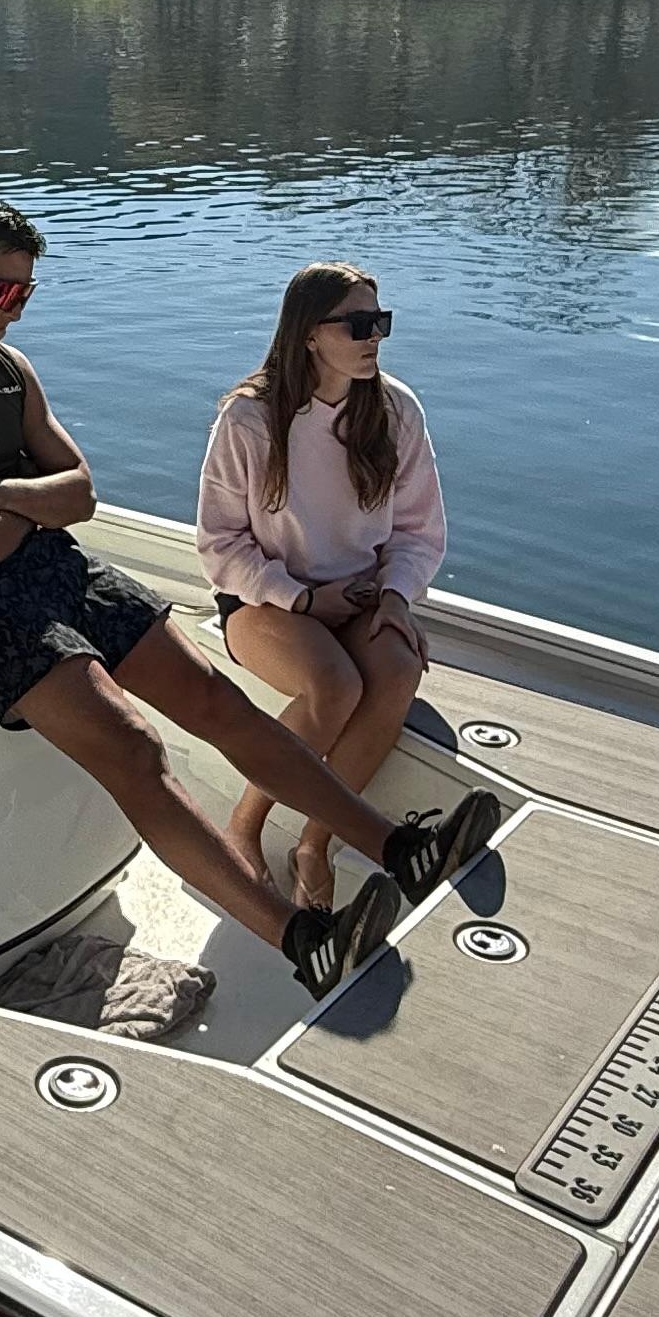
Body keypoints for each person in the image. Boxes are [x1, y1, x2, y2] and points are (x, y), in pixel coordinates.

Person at [0, 192, 496, 991]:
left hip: (51, 563)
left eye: (27, 293)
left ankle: (400, 847)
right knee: (136, 746)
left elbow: (80, 493)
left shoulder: (10, 372)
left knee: (221, 705)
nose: (14, 313)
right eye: (4, 292)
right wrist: (19, 508)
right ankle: (300, 938)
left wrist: (3, 494)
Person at [199, 263, 450, 910]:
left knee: (396, 672)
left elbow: (419, 532)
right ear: (309, 334)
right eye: (360, 324)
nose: (375, 338)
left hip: (362, 594)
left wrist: (396, 595)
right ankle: (244, 826)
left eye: (381, 323)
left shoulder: (396, 410)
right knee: (334, 685)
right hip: (266, 600)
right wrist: (304, 599)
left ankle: (317, 844)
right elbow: (220, 545)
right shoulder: (249, 421)